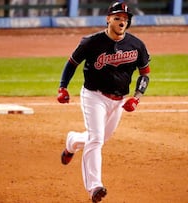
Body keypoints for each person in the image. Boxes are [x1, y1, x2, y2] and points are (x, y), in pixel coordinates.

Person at [57, 1, 150, 202]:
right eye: (117, 18)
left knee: (98, 139)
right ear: (108, 19)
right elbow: (71, 64)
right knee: (97, 140)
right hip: (94, 96)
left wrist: (136, 98)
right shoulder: (90, 42)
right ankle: (95, 187)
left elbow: (145, 74)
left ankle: (72, 141)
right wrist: (62, 87)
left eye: (125, 19)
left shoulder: (136, 45)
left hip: (119, 100)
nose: (121, 22)